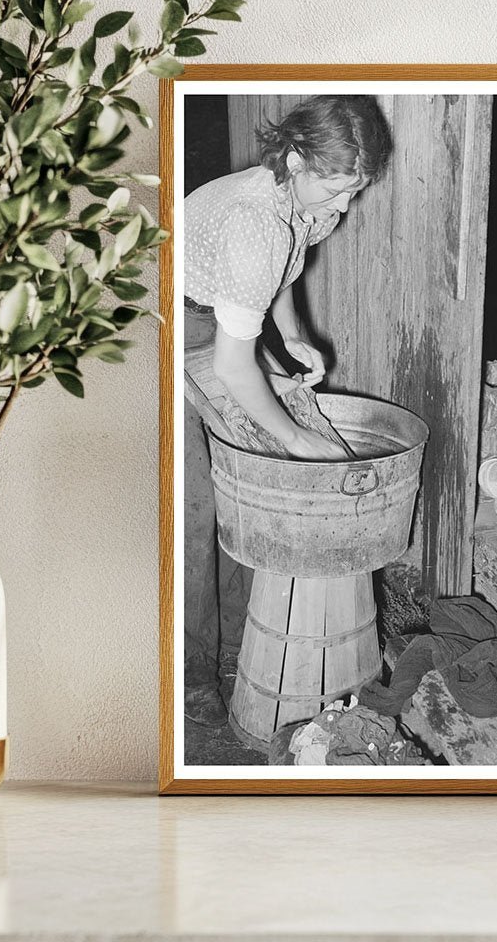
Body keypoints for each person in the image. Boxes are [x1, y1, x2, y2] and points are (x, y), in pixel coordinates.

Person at [182, 96, 394, 726]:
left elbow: (281, 271)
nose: (344, 207)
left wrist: (293, 334)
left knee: (250, 472)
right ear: (295, 159)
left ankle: (242, 633)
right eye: (336, 189)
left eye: (355, 191)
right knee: (194, 501)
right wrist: (298, 439)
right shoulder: (255, 220)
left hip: (222, 317)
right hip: (164, 315)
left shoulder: (306, 202)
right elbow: (232, 367)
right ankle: (191, 674)